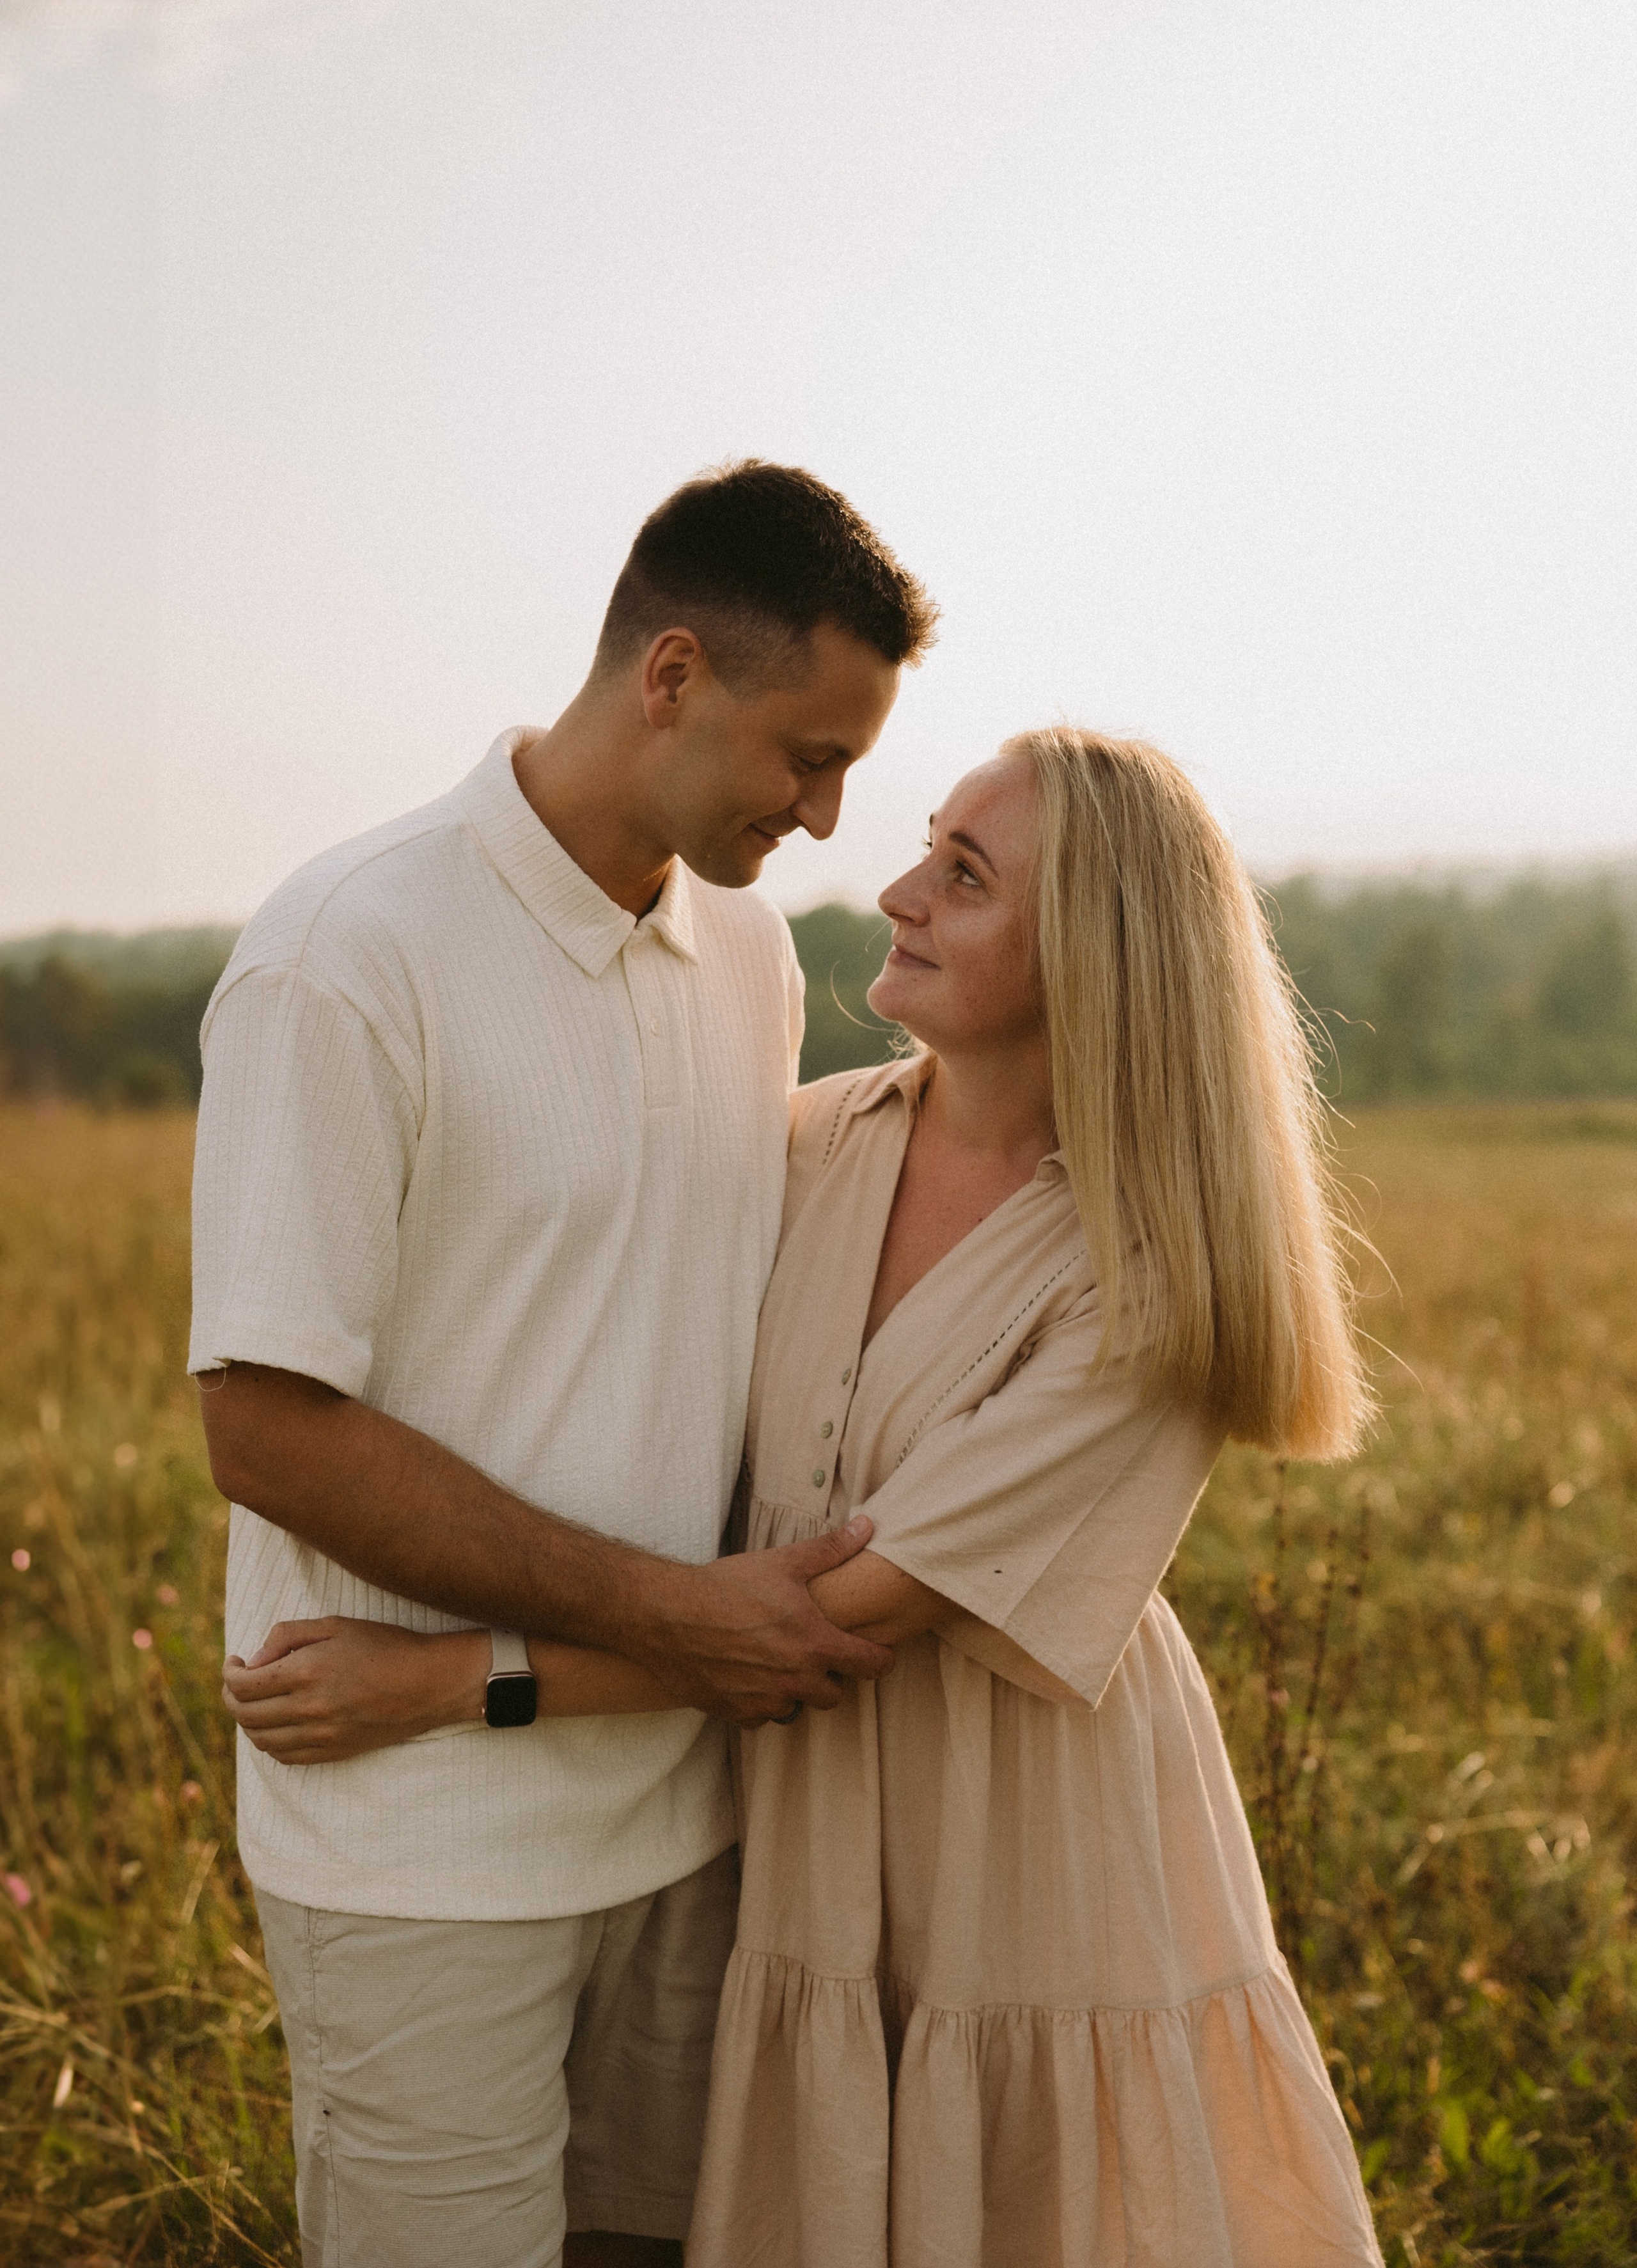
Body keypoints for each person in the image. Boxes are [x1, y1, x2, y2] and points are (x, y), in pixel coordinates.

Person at [228, 730, 1386, 2266]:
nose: (896, 891)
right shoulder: (807, 1139)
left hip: (1018, 1834)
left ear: (1092, 953)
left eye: (963, 878)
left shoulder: (1149, 1277)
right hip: (781, 1823)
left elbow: (830, 1624)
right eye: (929, 847)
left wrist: (455, 1682)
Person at [192, 460, 937, 2268]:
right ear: (671, 673)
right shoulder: (346, 952)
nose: (827, 817)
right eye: (807, 757)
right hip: (419, 1844)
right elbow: (268, 1430)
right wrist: (678, 1619)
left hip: (691, 1820)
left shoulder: (748, 951)